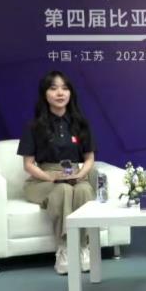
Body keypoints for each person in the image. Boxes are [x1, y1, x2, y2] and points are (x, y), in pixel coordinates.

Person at [17, 70, 97, 275]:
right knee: (63, 190)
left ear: (71, 93)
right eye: (53, 88)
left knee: (84, 190)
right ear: (45, 94)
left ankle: (83, 247)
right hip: (42, 179)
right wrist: (50, 177)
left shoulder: (80, 124)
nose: (60, 93)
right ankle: (64, 249)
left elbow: (89, 159)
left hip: (74, 175)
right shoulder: (34, 126)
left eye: (65, 88)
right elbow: (28, 164)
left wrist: (80, 174)